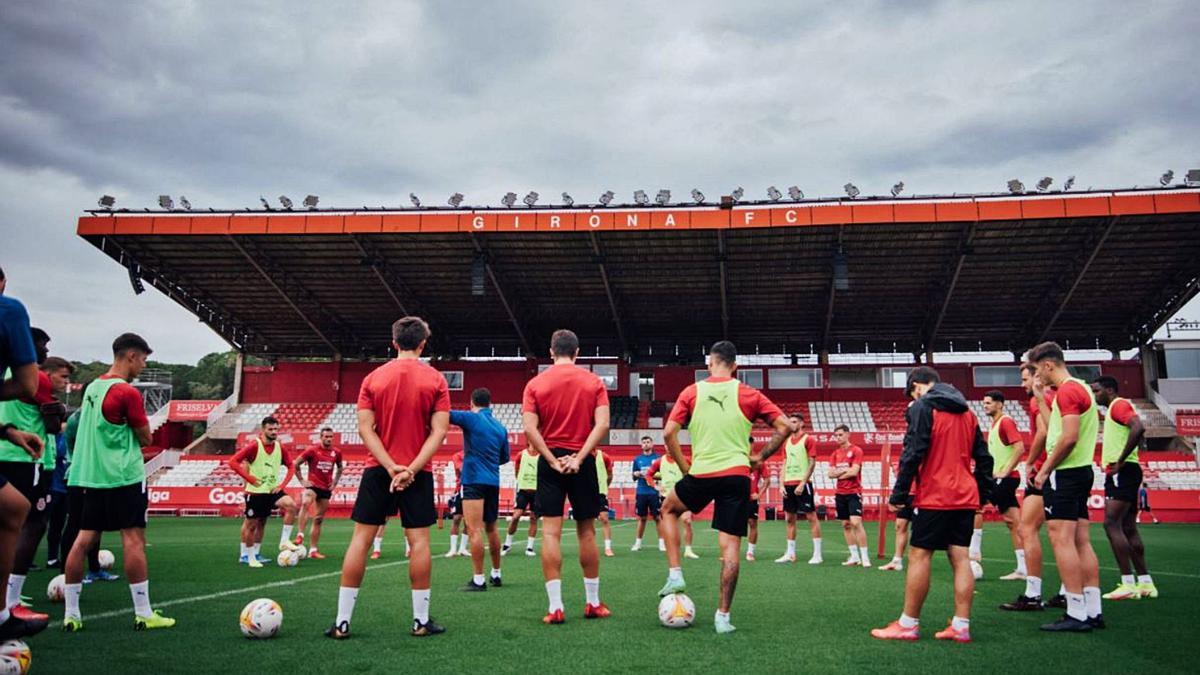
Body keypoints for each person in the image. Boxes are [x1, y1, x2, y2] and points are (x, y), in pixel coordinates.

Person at [657, 340, 794, 634]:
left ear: (709, 363)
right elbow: (785, 427)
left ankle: (675, 574)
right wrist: (760, 457)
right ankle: (723, 617)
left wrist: (685, 469)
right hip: (737, 475)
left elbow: (668, 432)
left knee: (668, 510)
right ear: (735, 366)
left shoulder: (691, 392)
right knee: (730, 547)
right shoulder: (749, 393)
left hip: (702, 473)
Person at [327, 316, 450, 639]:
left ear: (394, 342)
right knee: (419, 542)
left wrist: (390, 466)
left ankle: (342, 622)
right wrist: (409, 468)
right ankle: (420, 622)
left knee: (360, 541)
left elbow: (365, 428)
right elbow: (439, 432)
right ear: (423, 344)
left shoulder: (373, 379)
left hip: (377, 469)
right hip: (417, 472)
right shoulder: (436, 380)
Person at [62, 333, 175, 631]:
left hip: (88, 475)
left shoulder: (92, 388)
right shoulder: (127, 392)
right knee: (133, 539)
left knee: (82, 540)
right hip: (122, 474)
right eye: (143, 359)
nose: (143, 365)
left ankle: (71, 614)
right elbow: (146, 437)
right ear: (130, 356)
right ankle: (143, 612)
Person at [871, 366, 992, 643]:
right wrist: (981, 495)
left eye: (913, 391)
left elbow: (913, 452)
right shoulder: (968, 412)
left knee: (919, 556)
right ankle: (961, 626)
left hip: (935, 495)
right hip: (965, 495)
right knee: (961, 558)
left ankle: (908, 624)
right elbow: (984, 458)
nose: (913, 397)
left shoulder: (923, 407)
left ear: (920, 385)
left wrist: (899, 494)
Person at [522, 329, 611, 624]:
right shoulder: (594, 381)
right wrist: (580, 457)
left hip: (551, 463)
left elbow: (530, 430)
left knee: (549, 533)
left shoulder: (535, 384)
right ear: (577, 352)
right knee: (587, 532)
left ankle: (556, 607)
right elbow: (602, 425)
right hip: (581, 460)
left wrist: (551, 459)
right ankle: (593, 603)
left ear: (551, 352)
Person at [1028, 341, 1104, 632]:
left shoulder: (1069, 390)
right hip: (1081, 470)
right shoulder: (1078, 389)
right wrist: (1038, 393)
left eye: (1037, 370)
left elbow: (1068, 438)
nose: (1037, 376)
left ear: (1048, 365)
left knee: (1061, 539)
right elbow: (1056, 426)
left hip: (1066, 473)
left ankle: (1076, 612)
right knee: (1080, 540)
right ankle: (1092, 610)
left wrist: (1045, 469)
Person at [1, 349, 70, 623]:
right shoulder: (34, 377)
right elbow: (53, 426)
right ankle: (11, 600)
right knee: (32, 523)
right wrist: (57, 411)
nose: (44, 350)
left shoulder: (6, 374)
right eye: (63, 377)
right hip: (25, 457)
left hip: (9, 452)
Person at [0, 285, 48, 639]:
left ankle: (4, 610)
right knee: (18, 513)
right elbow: (28, 384)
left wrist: (6, 430)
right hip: (23, 460)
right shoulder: (8, 310)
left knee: (12, 508)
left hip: (10, 445)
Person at [1091, 376, 1157, 600]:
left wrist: (1120, 460)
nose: (1094, 394)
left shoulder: (1118, 405)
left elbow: (1138, 427)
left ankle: (1128, 583)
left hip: (1122, 471)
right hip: (1128, 470)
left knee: (1111, 524)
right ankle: (1146, 583)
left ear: (1109, 390)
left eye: (1097, 390)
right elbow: (1138, 430)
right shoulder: (1113, 409)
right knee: (1128, 527)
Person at [1001, 362, 1055, 611]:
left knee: (1027, 528)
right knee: (1070, 535)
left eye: (1025, 379)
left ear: (1038, 377)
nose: (1022, 385)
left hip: (1045, 471)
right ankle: (1069, 593)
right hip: (1064, 471)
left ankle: (1033, 593)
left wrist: (1032, 462)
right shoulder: (1059, 397)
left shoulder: (1038, 400)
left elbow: (1043, 432)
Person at [451, 387, 510, 591]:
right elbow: (504, 458)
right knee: (492, 528)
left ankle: (478, 579)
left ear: (472, 402)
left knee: (474, 529)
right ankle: (496, 573)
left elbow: (445, 414)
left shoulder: (472, 418)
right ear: (490, 403)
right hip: (493, 480)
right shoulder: (500, 427)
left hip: (474, 479)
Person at [228, 417, 300, 568]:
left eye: (276, 429)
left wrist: (282, 485)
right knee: (251, 524)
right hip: (255, 492)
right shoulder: (255, 445)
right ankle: (248, 556)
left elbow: (291, 466)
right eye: (270, 429)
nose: (274, 432)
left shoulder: (280, 447)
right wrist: (250, 479)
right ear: (263, 430)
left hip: (271, 490)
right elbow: (233, 462)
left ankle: (281, 542)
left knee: (290, 506)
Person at [981, 390, 1027, 580]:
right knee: (1014, 524)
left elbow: (1020, 447)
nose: (985, 406)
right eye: (984, 403)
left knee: (976, 505)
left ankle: (973, 551)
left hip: (1005, 478)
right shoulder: (995, 424)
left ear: (1000, 404)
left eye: (989, 403)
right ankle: (1023, 568)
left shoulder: (1006, 421)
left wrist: (1005, 470)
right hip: (1000, 478)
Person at [775, 414, 822, 565]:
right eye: (790, 422)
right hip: (788, 484)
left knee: (811, 517)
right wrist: (781, 484)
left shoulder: (808, 439)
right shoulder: (786, 442)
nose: (792, 424)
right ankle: (790, 553)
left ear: (801, 423)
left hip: (803, 483)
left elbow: (812, 463)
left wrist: (802, 483)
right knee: (789, 519)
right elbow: (784, 464)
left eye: (794, 422)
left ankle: (817, 554)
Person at [291, 427, 344, 559]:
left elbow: (340, 467)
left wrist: (335, 482)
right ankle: (300, 535)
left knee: (318, 519)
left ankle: (313, 550)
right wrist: (302, 480)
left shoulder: (336, 452)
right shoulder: (312, 450)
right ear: (321, 437)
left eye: (331, 437)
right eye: (326, 436)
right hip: (313, 485)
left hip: (325, 488)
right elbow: (295, 464)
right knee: (305, 502)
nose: (329, 439)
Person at [880, 400, 918, 572]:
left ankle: (918, 560)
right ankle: (897, 560)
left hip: (922, 492)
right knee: (900, 525)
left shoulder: (924, 434)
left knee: (920, 530)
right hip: (907, 491)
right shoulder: (909, 437)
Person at [830, 425, 870, 567]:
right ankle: (854, 556)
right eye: (836, 435)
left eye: (840, 434)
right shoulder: (835, 454)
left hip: (853, 492)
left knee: (856, 523)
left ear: (848, 434)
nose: (838, 437)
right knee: (846, 524)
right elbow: (830, 474)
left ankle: (865, 557)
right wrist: (845, 470)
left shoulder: (856, 450)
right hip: (840, 493)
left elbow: (854, 472)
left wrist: (839, 473)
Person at [646, 451, 698, 559]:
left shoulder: (684, 459)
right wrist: (655, 486)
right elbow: (649, 475)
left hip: (683, 495)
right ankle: (671, 548)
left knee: (687, 521)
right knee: (669, 524)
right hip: (667, 497)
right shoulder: (660, 461)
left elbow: (695, 472)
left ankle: (688, 550)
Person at [503, 445, 540, 557]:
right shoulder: (521, 454)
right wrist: (520, 481)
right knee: (516, 516)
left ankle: (529, 547)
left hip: (537, 491)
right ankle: (507, 544)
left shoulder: (542, 455)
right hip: (523, 491)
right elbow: (517, 469)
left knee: (534, 518)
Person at [630, 436, 663, 552]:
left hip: (654, 491)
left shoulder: (658, 458)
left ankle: (661, 543)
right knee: (642, 518)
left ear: (652, 444)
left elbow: (662, 475)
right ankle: (638, 543)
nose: (646, 444)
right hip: (641, 492)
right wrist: (637, 474)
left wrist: (651, 475)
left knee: (658, 518)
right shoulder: (637, 459)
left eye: (648, 442)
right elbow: (633, 476)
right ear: (641, 445)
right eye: (644, 442)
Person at [444, 450, 467, 558]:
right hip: (460, 489)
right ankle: (453, 549)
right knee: (456, 518)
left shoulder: (477, 454)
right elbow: (461, 469)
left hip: (473, 490)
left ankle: (462, 548)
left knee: (468, 521)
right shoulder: (458, 456)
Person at [745, 458, 767, 561]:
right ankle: (730, 551)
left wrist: (759, 494)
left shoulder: (758, 462)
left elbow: (767, 479)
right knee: (733, 524)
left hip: (752, 499)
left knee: (752, 523)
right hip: (737, 498)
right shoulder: (736, 459)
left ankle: (750, 552)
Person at [595, 446, 615, 557]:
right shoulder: (581, 455)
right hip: (586, 493)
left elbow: (610, 475)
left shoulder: (604, 456)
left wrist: (604, 486)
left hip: (600, 493)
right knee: (586, 522)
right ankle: (590, 547)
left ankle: (608, 548)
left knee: (605, 519)